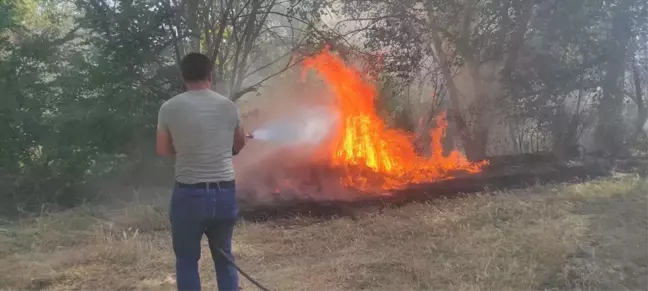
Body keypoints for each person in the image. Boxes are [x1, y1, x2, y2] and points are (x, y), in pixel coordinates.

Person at [156, 52, 249, 291]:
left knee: (187, 261)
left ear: (182, 76)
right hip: (224, 194)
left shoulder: (169, 108)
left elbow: (163, 150)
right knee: (224, 257)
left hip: (189, 196)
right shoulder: (228, 106)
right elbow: (239, 145)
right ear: (210, 75)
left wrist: (189, 146)